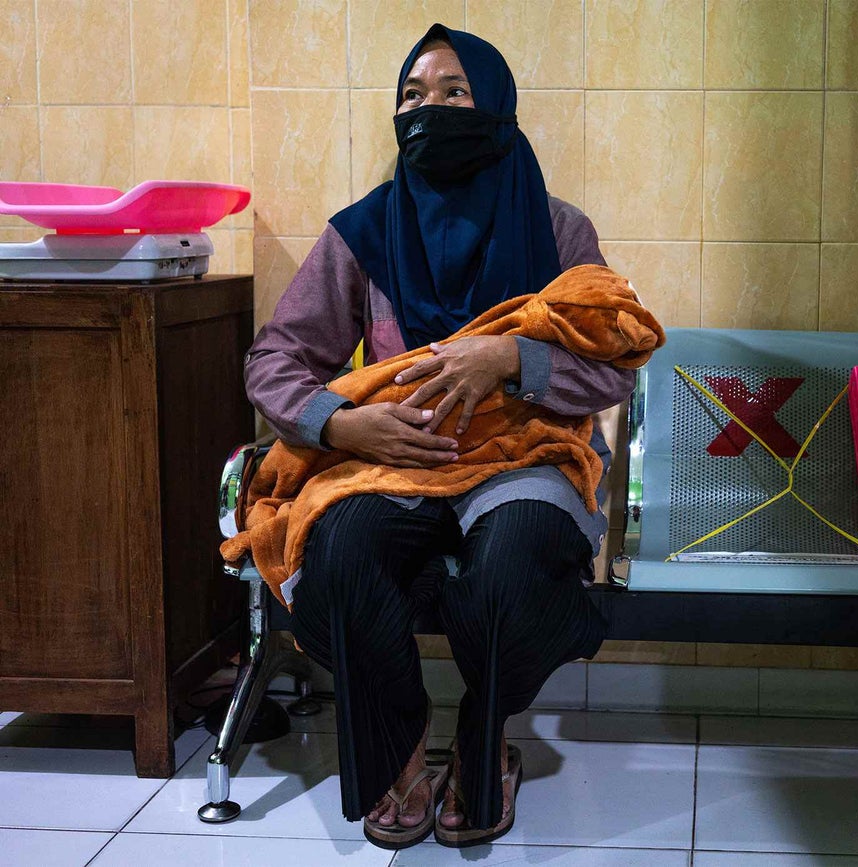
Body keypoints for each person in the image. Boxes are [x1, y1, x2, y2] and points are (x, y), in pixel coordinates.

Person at [243, 23, 635, 849]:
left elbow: (613, 372)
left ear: (495, 106)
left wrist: (510, 356)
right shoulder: (365, 232)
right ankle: (401, 743)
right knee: (340, 553)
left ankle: (485, 738)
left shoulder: (560, 234)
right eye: (412, 97)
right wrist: (346, 422)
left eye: (455, 93)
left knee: (515, 558)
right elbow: (277, 357)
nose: (431, 110)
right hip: (391, 463)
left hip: (521, 458)